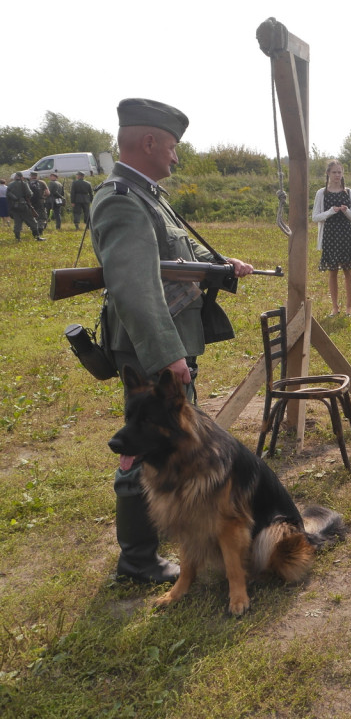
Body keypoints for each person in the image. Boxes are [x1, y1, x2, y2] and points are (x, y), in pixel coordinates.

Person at [89, 98, 253, 584]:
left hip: (167, 346)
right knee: (140, 448)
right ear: (149, 143)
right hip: (150, 350)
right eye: (173, 147)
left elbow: (177, 256)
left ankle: (177, 543)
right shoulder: (121, 198)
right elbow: (134, 286)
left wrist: (222, 267)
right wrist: (168, 355)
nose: (176, 157)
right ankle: (137, 561)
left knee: (177, 446)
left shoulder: (148, 195)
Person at [312, 160, 351, 317]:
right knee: (332, 271)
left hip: (346, 235)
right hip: (330, 235)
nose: (337, 175)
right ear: (328, 174)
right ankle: (334, 307)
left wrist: (346, 211)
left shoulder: (349, 193)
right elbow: (315, 217)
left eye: (339, 172)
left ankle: (349, 307)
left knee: (347, 270)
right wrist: (331, 211)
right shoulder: (321, 193)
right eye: (334, 172)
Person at [6, 172, 43, 241]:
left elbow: (7, 195)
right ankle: (37, 237)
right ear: (21, 177)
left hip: (14, 206)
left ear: (16, 177)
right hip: (24, 206)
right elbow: (29, 194)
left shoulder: (10, 184)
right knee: (32, 221)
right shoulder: (24, 184)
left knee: (17, 222)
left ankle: (18, 238)